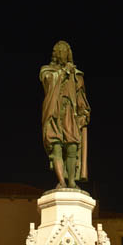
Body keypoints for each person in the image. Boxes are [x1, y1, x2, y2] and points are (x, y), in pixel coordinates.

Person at [40, 40, 91, 189]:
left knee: (72, 148)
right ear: (55, 54)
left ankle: (71, 181)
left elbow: (81, 97)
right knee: (56, 147)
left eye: (65, 50)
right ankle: (61, 181)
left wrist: (83, 114)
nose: (62, 53)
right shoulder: (47, 71)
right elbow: (49, 82)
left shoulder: (77, 76)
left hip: (70, 113)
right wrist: (64, 72)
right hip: (54, 113)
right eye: (59, 50)